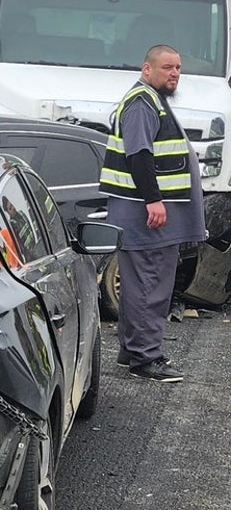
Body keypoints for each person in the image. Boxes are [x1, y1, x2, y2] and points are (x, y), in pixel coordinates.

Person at [99, 44, 205, 382]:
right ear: (147, 69)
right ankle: (147, 359)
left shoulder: (149, 100)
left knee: (139, 284)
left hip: (145, 214)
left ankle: (132, 351)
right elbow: (139, 155)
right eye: (167, 67)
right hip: (146, 216)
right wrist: (153, 200)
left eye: (177, 68)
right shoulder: (143, 103)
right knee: (150, 285)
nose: (174, 73)